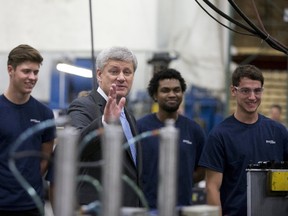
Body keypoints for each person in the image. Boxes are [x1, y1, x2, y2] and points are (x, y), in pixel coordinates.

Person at [199, 64, 288, 216]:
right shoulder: (220, 135)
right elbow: (212, 188)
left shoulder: (278, 132)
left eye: (257, 90)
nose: (252, 97)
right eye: (246, 90)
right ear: (234, 91)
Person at [67, 46, 142, 207]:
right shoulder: (83, 106)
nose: (121, 78)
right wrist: (104, 123)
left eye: (127, 72)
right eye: (114, 71)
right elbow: (75, 147)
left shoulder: (129, 117)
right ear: (99, 75)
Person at [137, 68, 206, 209]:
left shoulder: (194, 130)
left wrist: (182, 180)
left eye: (177, 90)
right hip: (147, 208)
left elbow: (202, 170)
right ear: (155, 95)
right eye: (165, 90)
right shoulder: (140, 128)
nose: (172, 94)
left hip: (182, 207)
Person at [0, 44, 56, 215]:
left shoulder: (44, 113)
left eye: (36, 72)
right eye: (26, 71)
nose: (32, 77)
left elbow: (44, 159)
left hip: (32, 206)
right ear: (11, 70)